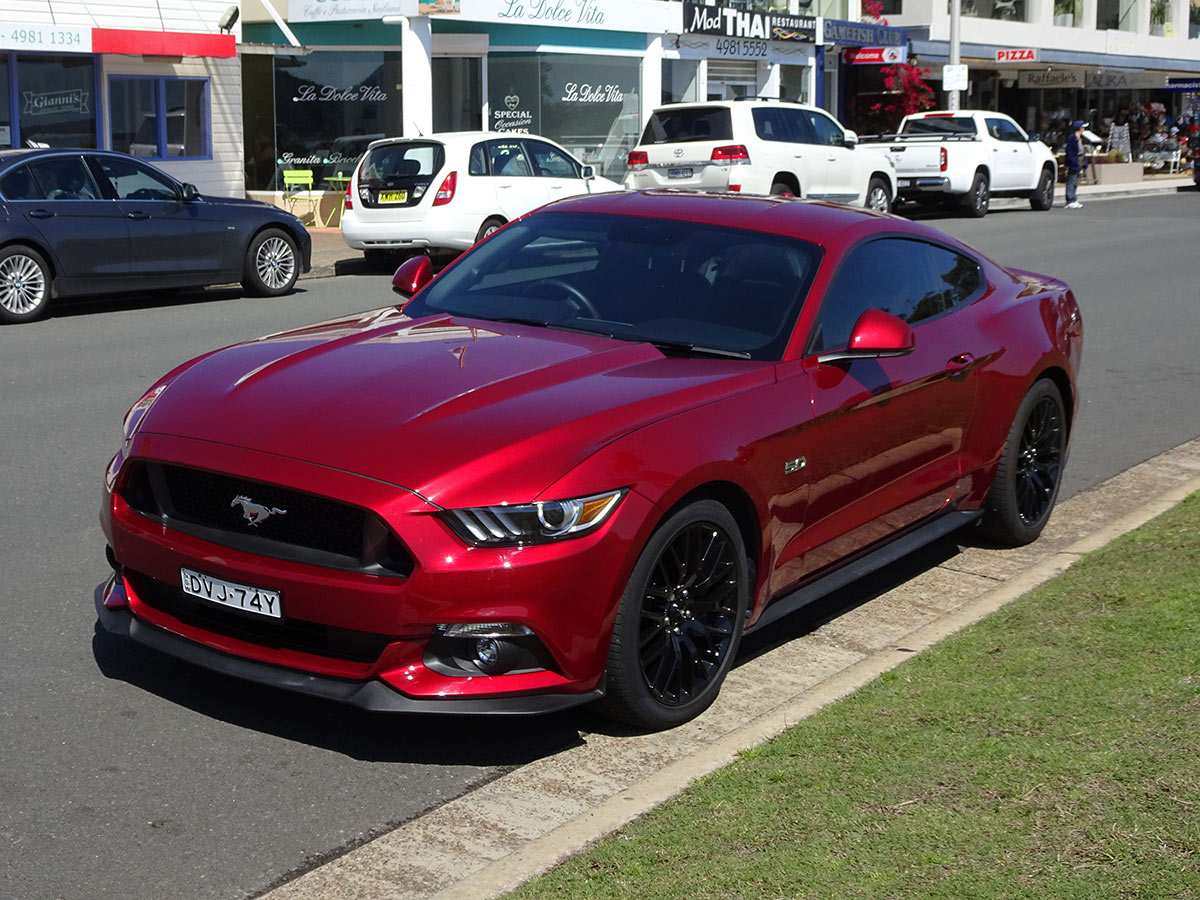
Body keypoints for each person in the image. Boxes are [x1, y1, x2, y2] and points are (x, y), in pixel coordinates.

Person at [1064, 119, 1087, 210]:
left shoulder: (1079, 138)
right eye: (1083, 127)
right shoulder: (1072, 138)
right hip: (1074, 161)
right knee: (1071, 180)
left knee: (1076, 181)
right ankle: (1070, 200)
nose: (1084, 129)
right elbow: (1070, 152)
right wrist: (1073, 162)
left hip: (1079, 160)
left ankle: (1074, 199)